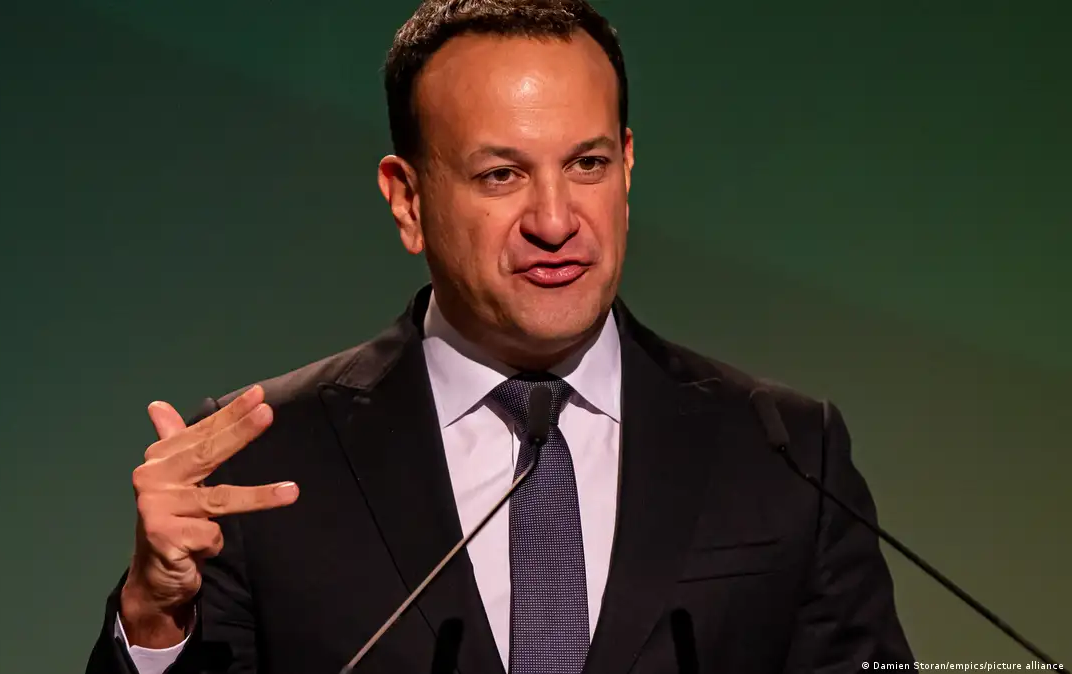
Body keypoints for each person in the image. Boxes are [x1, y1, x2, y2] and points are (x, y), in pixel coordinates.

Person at [86, 1, 914, 672]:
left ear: (627, 167)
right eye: (500, 175)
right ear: (407, 199)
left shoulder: (783, 450)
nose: (554, 221)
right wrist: (153, 617)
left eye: (586, 164)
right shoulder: (260, 462)